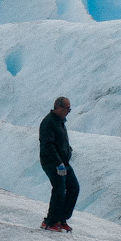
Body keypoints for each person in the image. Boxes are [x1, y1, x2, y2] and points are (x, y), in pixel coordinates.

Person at [39, 96, 78, 232]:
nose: (68, 112)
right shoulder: (48, 122)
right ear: (59, 107)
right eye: (67, 109)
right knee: (59, 190)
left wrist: (68, 152)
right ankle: (50, 221)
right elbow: (47, 145)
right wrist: (58, 163)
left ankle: (61, 219)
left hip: (63, 162)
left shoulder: (59, 121)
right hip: (52, 163)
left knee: (74, 188)